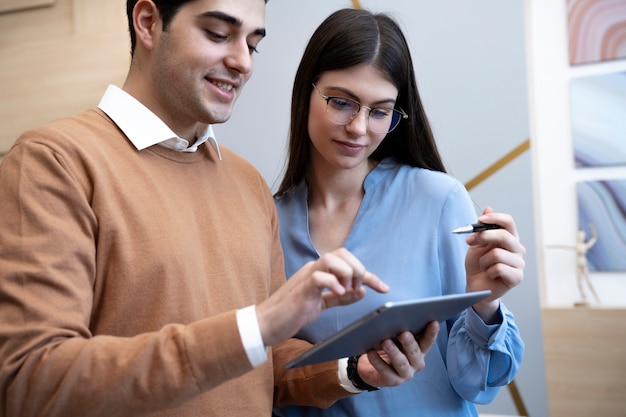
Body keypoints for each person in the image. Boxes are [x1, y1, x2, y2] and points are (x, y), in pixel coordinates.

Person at [0, 2, 438, 416]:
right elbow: (34, 380)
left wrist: (354, 372)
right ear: (149, 22)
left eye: (252, 44)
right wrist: (256, 326)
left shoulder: (247, 184)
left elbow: (266, 360)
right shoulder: (52, 162)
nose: (244, 63)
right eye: (218, 34)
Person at [273, 8, 526, 417]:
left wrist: (486, 305)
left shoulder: (438, 199)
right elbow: (268, 379)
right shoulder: (269, 223)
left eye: (379, 111)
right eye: (341, 102)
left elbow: (477, 383)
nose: (358, 128)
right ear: (306, 92)